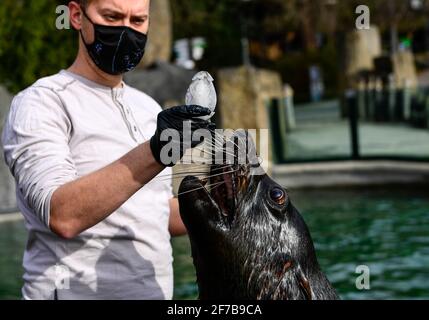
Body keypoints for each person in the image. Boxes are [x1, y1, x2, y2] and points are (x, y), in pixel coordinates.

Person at [1, 0, 211, 300]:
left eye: (138, 21)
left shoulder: (147, 107)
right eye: (112, 16)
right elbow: (62, 215)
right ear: (76, 15)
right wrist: (155, 151)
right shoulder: (41, 102)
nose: (126, 30)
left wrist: (223, 196)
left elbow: (158, 214)